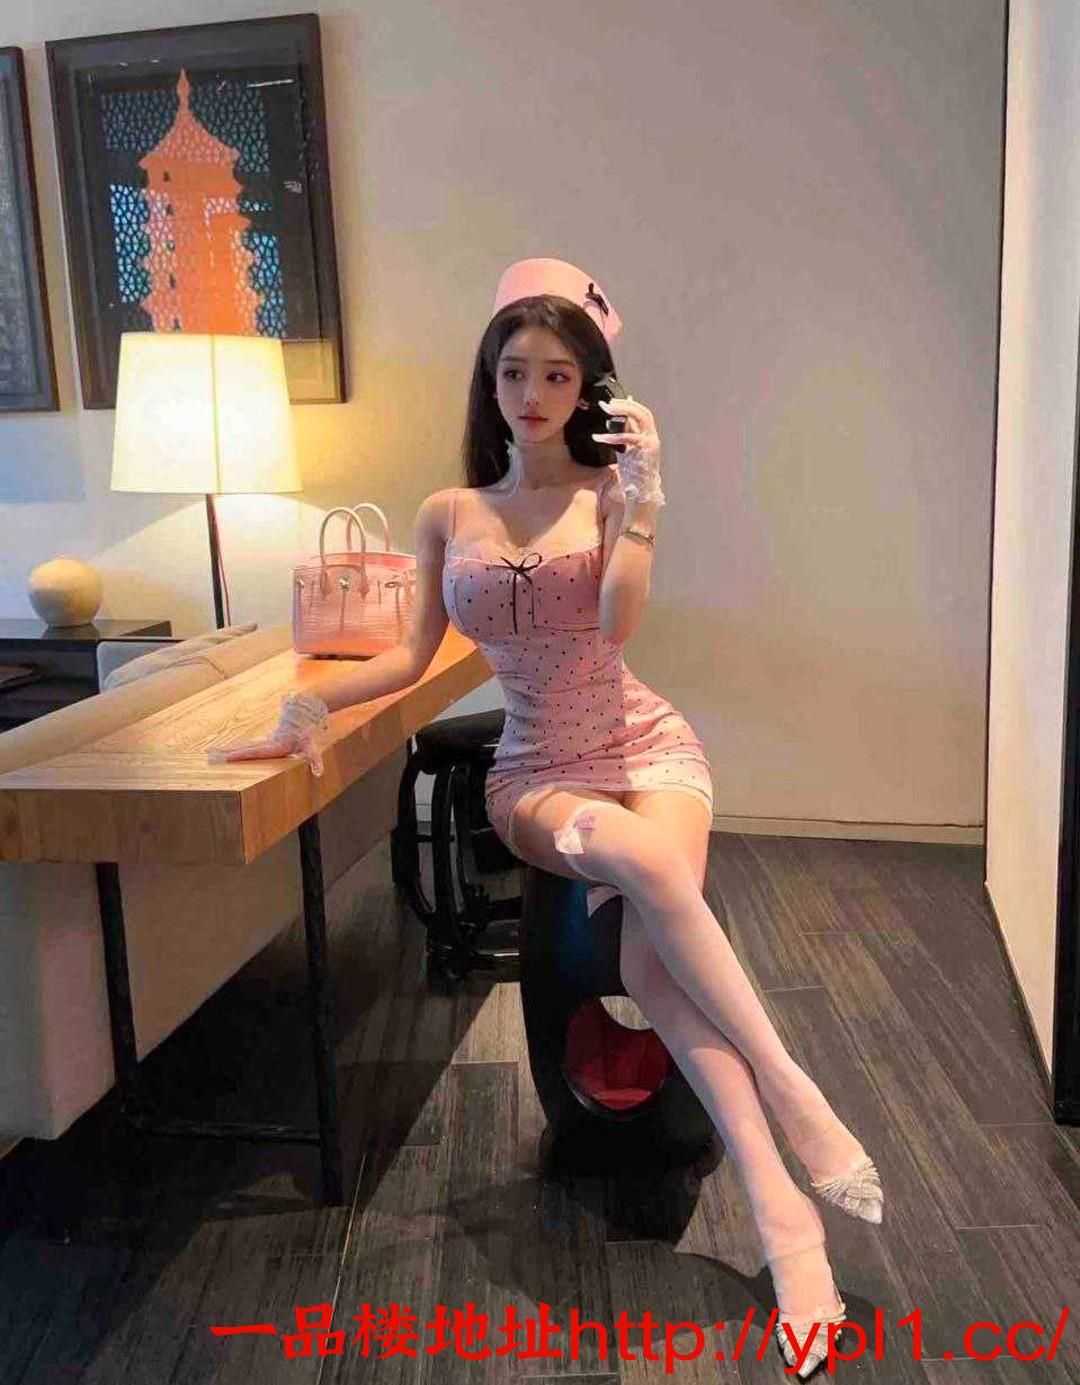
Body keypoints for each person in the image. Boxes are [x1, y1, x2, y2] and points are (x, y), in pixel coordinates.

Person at [210, 257, 882, 1379]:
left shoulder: (611, 494)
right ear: (490, 381)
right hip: (536, 773)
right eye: (515, 371)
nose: (533, 393)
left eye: (558, 374)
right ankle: (795, 1092)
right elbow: (410, 657)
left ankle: (785, 1217)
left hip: (648, 743)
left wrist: (646, 502)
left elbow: (616, 628)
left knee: (652, 956)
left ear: (588, 388)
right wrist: (304, 706)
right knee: (639, 867)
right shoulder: (449, 510)